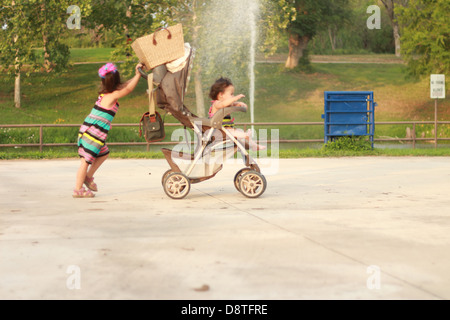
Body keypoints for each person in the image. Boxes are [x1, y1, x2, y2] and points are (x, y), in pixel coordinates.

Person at [73, 62, 144, 198]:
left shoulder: (107, 93)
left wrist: (137, 75)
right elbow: (127, 89)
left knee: (103, 154)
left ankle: (88, 177)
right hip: (92, 133)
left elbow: (124, 87)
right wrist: (138, 76)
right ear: (116, 79)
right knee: (85, 161)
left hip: (93, 132)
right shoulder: (111, 96)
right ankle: (78, 189)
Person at [208, 77, 265, 151]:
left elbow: (231, 104)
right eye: (231, 94)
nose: (233, 96)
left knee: (239, 132)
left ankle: (253, 145)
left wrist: (240, 104)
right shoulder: (217, 103)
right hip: (218, 132)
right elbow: (223, 104)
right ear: (221, 94)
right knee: (238, 134)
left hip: (226, 130)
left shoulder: (228, 104)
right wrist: (235, 98)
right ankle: (245, 136)